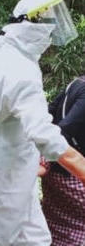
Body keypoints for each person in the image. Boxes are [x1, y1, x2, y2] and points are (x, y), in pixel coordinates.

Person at [0, 0, 85, 245]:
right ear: (34, 26)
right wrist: (80, 166)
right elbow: (46, 135)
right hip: (0, 185)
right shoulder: (19, 71)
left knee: (36, 240)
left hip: (10, 177)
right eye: (50, 25)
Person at [41, 75, 85, 245]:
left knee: (58, 229)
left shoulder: (76, 83)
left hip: (57, 172)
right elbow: (62, 131)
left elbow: (49, 114)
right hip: (72, 175)